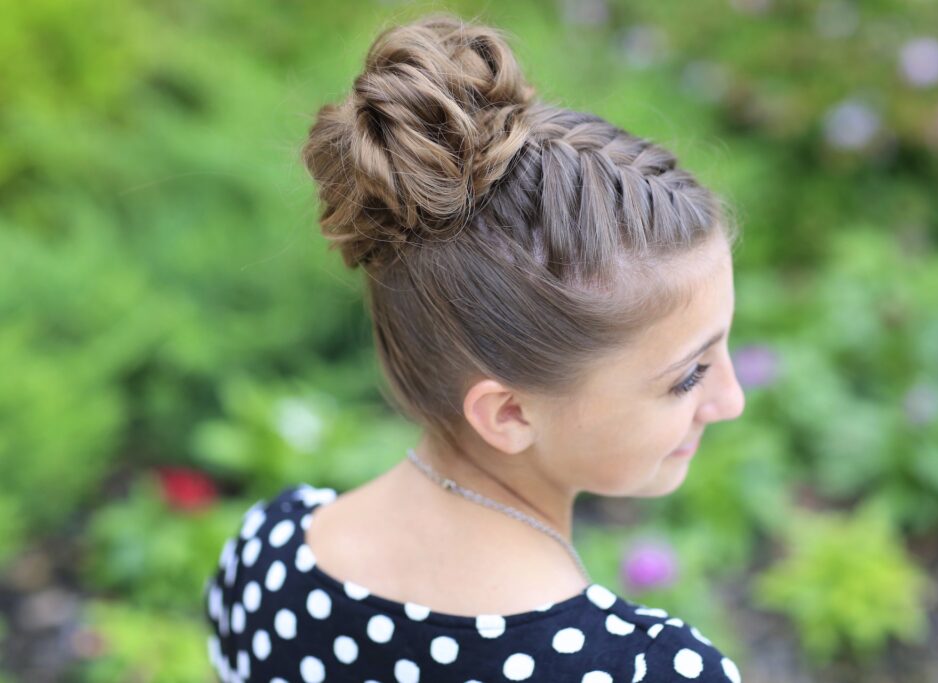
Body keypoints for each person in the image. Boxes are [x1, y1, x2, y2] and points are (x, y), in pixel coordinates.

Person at [203, 11, 747, 682]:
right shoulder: (649, 670)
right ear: (509, 413)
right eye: (688, 376)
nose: (731, 398)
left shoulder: (266, 558)